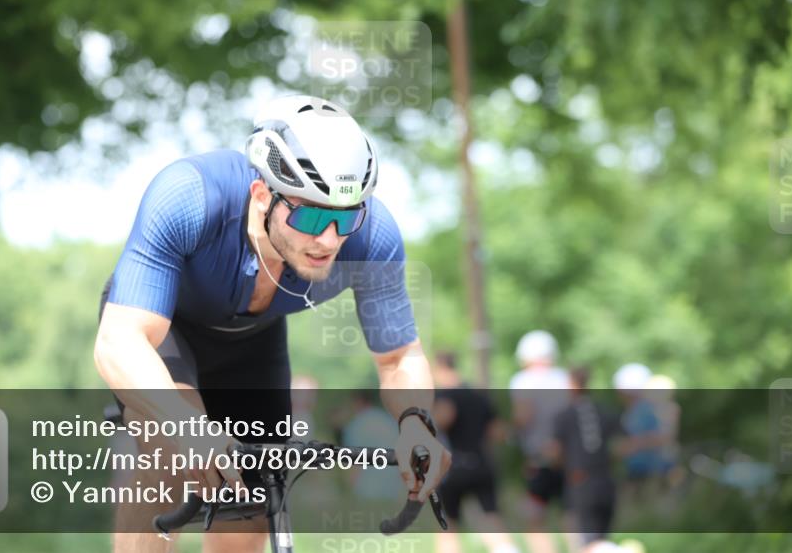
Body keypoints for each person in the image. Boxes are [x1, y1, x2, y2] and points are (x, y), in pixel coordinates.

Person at [93, 95, 451, 553]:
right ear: (262, 196)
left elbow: (400, 357)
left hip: (253, 343)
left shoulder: (372, 236)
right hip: (163, 330)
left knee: (253, 502)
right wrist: (186, 426)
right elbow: (119, 341)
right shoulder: (190, 196)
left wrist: (416, 425)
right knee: (170, 445)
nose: (329, 240)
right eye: (311, 215)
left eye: (345, 217)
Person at [432, 351, 517, 553]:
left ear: (440, 367)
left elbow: (444, 418)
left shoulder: (445, 395)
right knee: (491, 517)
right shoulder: (478, 395)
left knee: (447, 526)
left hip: (454, 468)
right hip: (482, 464)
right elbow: (498, 433)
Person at [508, 330, 571, 553]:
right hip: (568, 456)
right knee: (570, 515)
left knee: (535, 519)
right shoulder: (565, 379)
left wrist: (510, 432)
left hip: (539, 457)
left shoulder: (523, 381)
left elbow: (524, 417)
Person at [547, 367, 622, 552]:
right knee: (601, 538)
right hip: (606, 480)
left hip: (580, 483)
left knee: (585, 542)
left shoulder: (564, 415)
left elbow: (555, 453)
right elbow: (622, 446)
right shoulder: (605, 411)